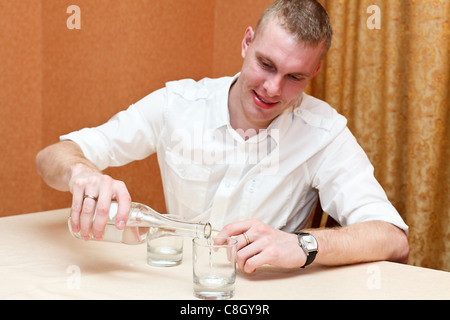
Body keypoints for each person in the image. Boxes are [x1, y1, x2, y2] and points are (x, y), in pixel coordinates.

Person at [36, 0, 409, 273]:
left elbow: (393, 239)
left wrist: (303, 244)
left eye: (295, 76)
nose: (273, 89)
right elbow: (53, 156)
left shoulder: (323, 132)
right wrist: (80, 173)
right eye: (266, 64)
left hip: (263, 294)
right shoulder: (177, 103)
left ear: (314, 72)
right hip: (172, 286)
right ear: (247, 43)